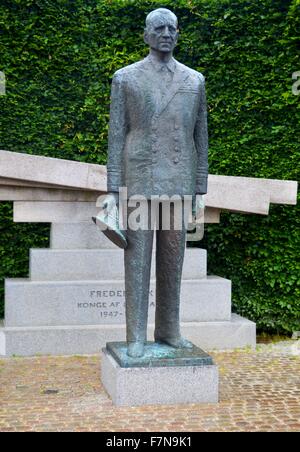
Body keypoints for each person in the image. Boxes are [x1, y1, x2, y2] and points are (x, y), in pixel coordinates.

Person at [103, 8, 208, 358]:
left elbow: (200, 137)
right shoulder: (126, 78)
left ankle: (168, 328)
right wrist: (113, 189)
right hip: (141, 179)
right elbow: (117, 135)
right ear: (146, 35)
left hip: (178, 181)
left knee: (173, 260)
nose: (165, 33)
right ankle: (135, 335)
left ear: (178, 35)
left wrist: (199, 187)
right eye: (157, 28)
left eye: (171, 28)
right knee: (137, 260)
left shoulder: (195, 80)